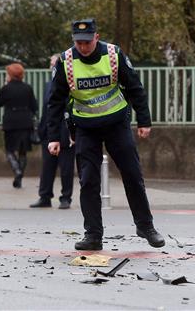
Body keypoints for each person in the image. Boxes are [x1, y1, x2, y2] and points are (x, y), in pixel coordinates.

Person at [47, 18, 164, 251]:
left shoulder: (113, 54)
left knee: (132, 174)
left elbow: (135, 87)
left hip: (116, 124)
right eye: (78, 42)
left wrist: (144, 120)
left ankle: (146, 226)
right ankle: (93, 234)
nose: (83, 47)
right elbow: (56, 100)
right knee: (89, 180)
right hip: (85, 128)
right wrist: (53, 137)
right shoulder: (66, 61)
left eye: (87, 42)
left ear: (96, 37)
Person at [30, 54, 75, 209]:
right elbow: (47, 109)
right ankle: (45, 196)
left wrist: (72, 131)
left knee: (66, 167)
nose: (52, 66)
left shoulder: (71, 85)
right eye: (51, 63)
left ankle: (66, 197)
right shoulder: (49, 84)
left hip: (66, 131)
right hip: (49, 131)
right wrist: (42, 129)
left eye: (54, 63)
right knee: (47, 166)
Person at [0, 63, 38, 189]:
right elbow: (34, 106)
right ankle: (19, 177)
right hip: (25, 122)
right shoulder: (28, 88)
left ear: (10, 75)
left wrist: (3, 87)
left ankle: (17, 171)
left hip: (11, 122)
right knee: (23, 151)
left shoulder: (6, 88)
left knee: (9, 150)